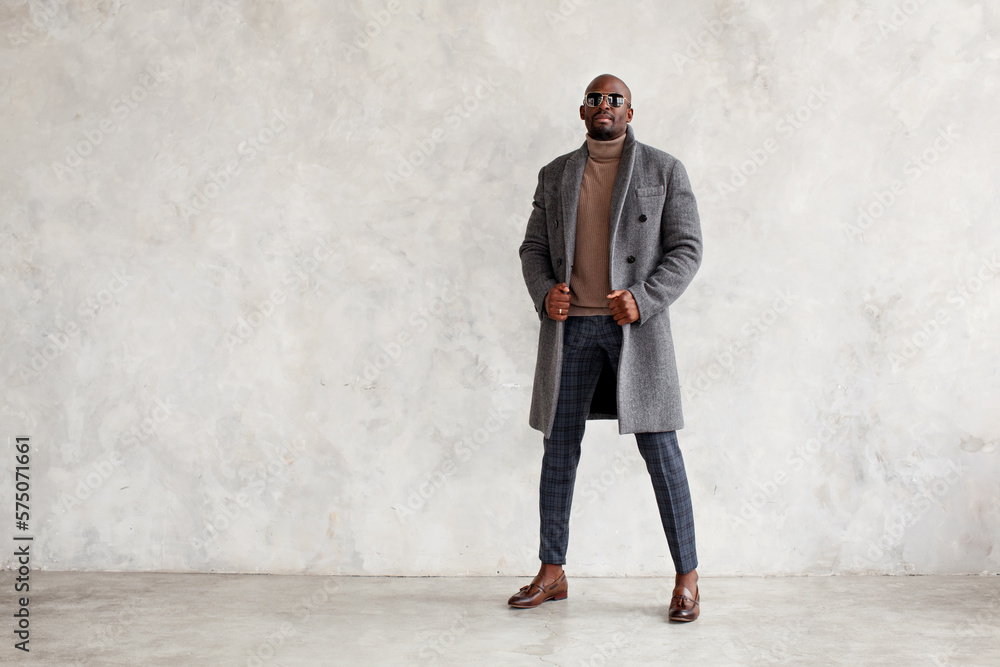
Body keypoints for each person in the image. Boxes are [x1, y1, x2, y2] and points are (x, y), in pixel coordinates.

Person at [512, 74, 703, 622]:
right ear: (581, 111)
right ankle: (553, 572)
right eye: (595, 99)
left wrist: (643, 299)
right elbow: (531, 247)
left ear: (630, 111)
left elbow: (687, 249)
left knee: (661, 452)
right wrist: (545, 291)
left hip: (634, 333)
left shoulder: (664, 169)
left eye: (614, 100)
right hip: (571, 331)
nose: (604, 106)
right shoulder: (556, 174)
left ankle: (687, 579)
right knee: (559, 450)